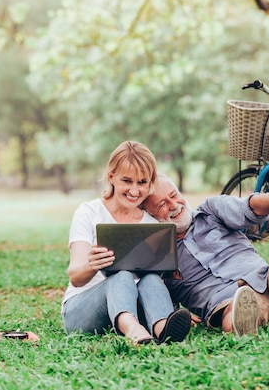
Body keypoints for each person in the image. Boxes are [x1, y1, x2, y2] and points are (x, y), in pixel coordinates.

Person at [142, 174, 269, 335]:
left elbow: (249, 206)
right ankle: (246, 320)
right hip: (231, 303)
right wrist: (172, 314)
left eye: (173, 195)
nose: (174, 205)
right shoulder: (157, 254)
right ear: (149, 216)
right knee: (232, 315)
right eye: (162, 204)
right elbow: (150, 290)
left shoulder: (210, 211)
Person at [61, 141, 191, 345]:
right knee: (121, 276)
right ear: (111, 177)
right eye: (127, 180)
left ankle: (163, 326)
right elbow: (76, 277)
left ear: (150, 183)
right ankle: (132, 329)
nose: (134, 190)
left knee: (151, 279)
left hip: (134, 305)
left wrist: (172, 307)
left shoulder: (151, 224)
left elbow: (156, 281)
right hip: (82, 310)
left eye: (142, 182)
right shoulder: (89, 212)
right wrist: (92, 265)